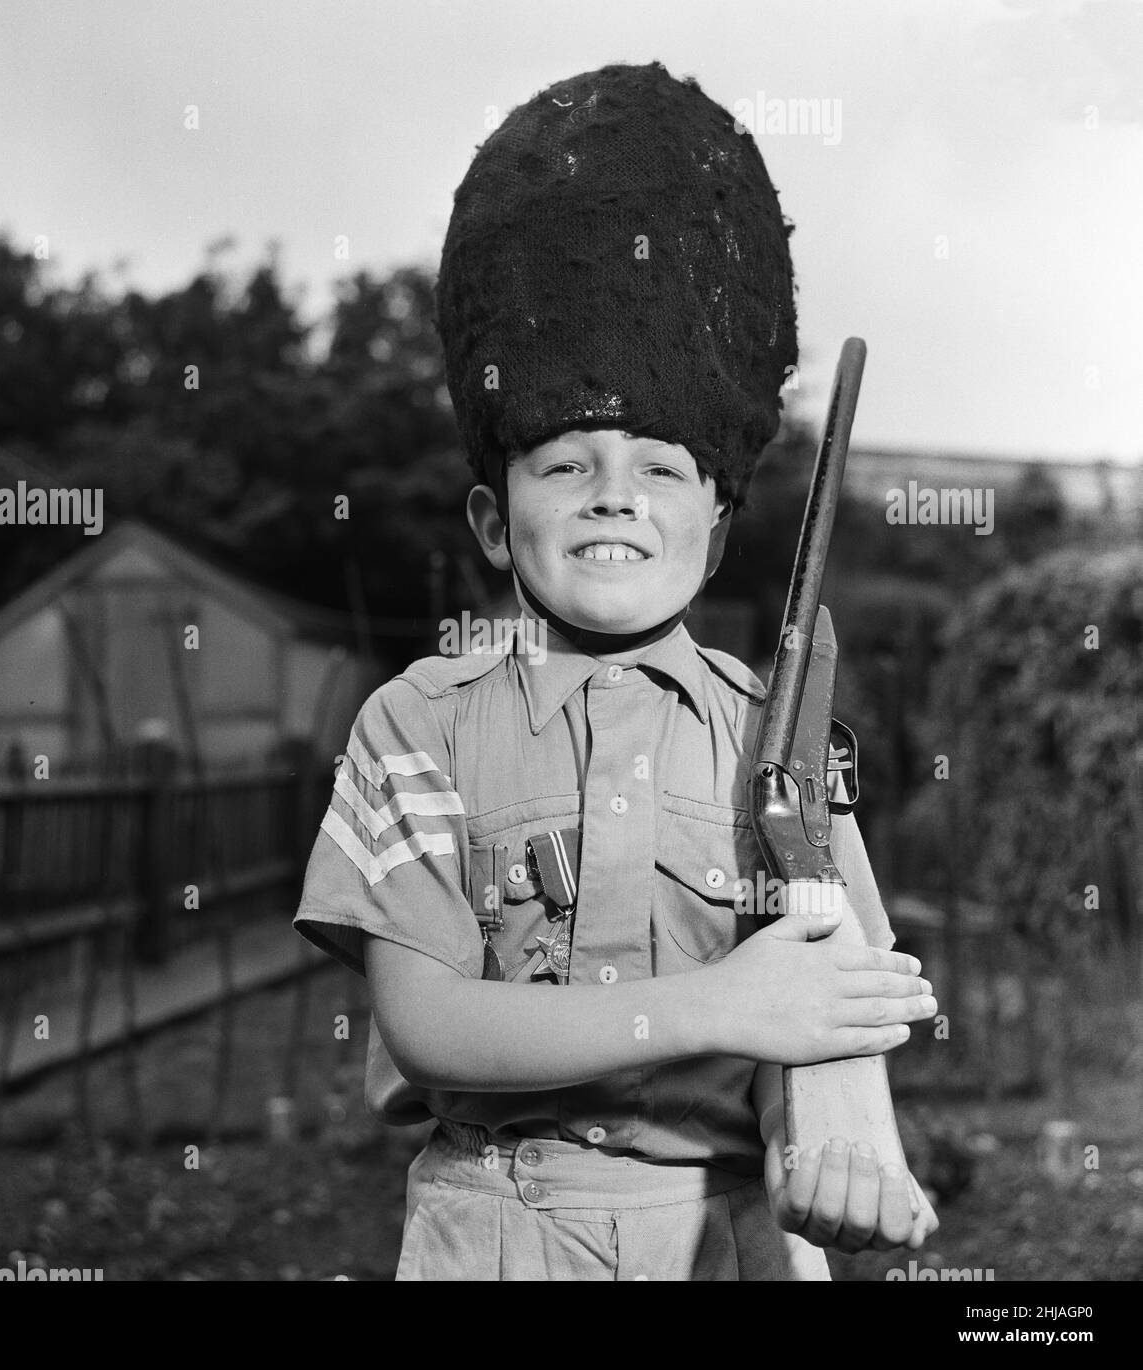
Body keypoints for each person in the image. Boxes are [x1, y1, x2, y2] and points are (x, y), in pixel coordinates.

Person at [294, 60, 939, 1280]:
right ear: (493, 520)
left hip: (731, 1239)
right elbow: (428, 1025)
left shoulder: (788, 742)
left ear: (719, 519)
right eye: (565, 462)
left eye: (658, 465)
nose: (611, 496)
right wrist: (718, 1006)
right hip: (493, 1232)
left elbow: (837, 1008)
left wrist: (848, 1147)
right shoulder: (415, 725)